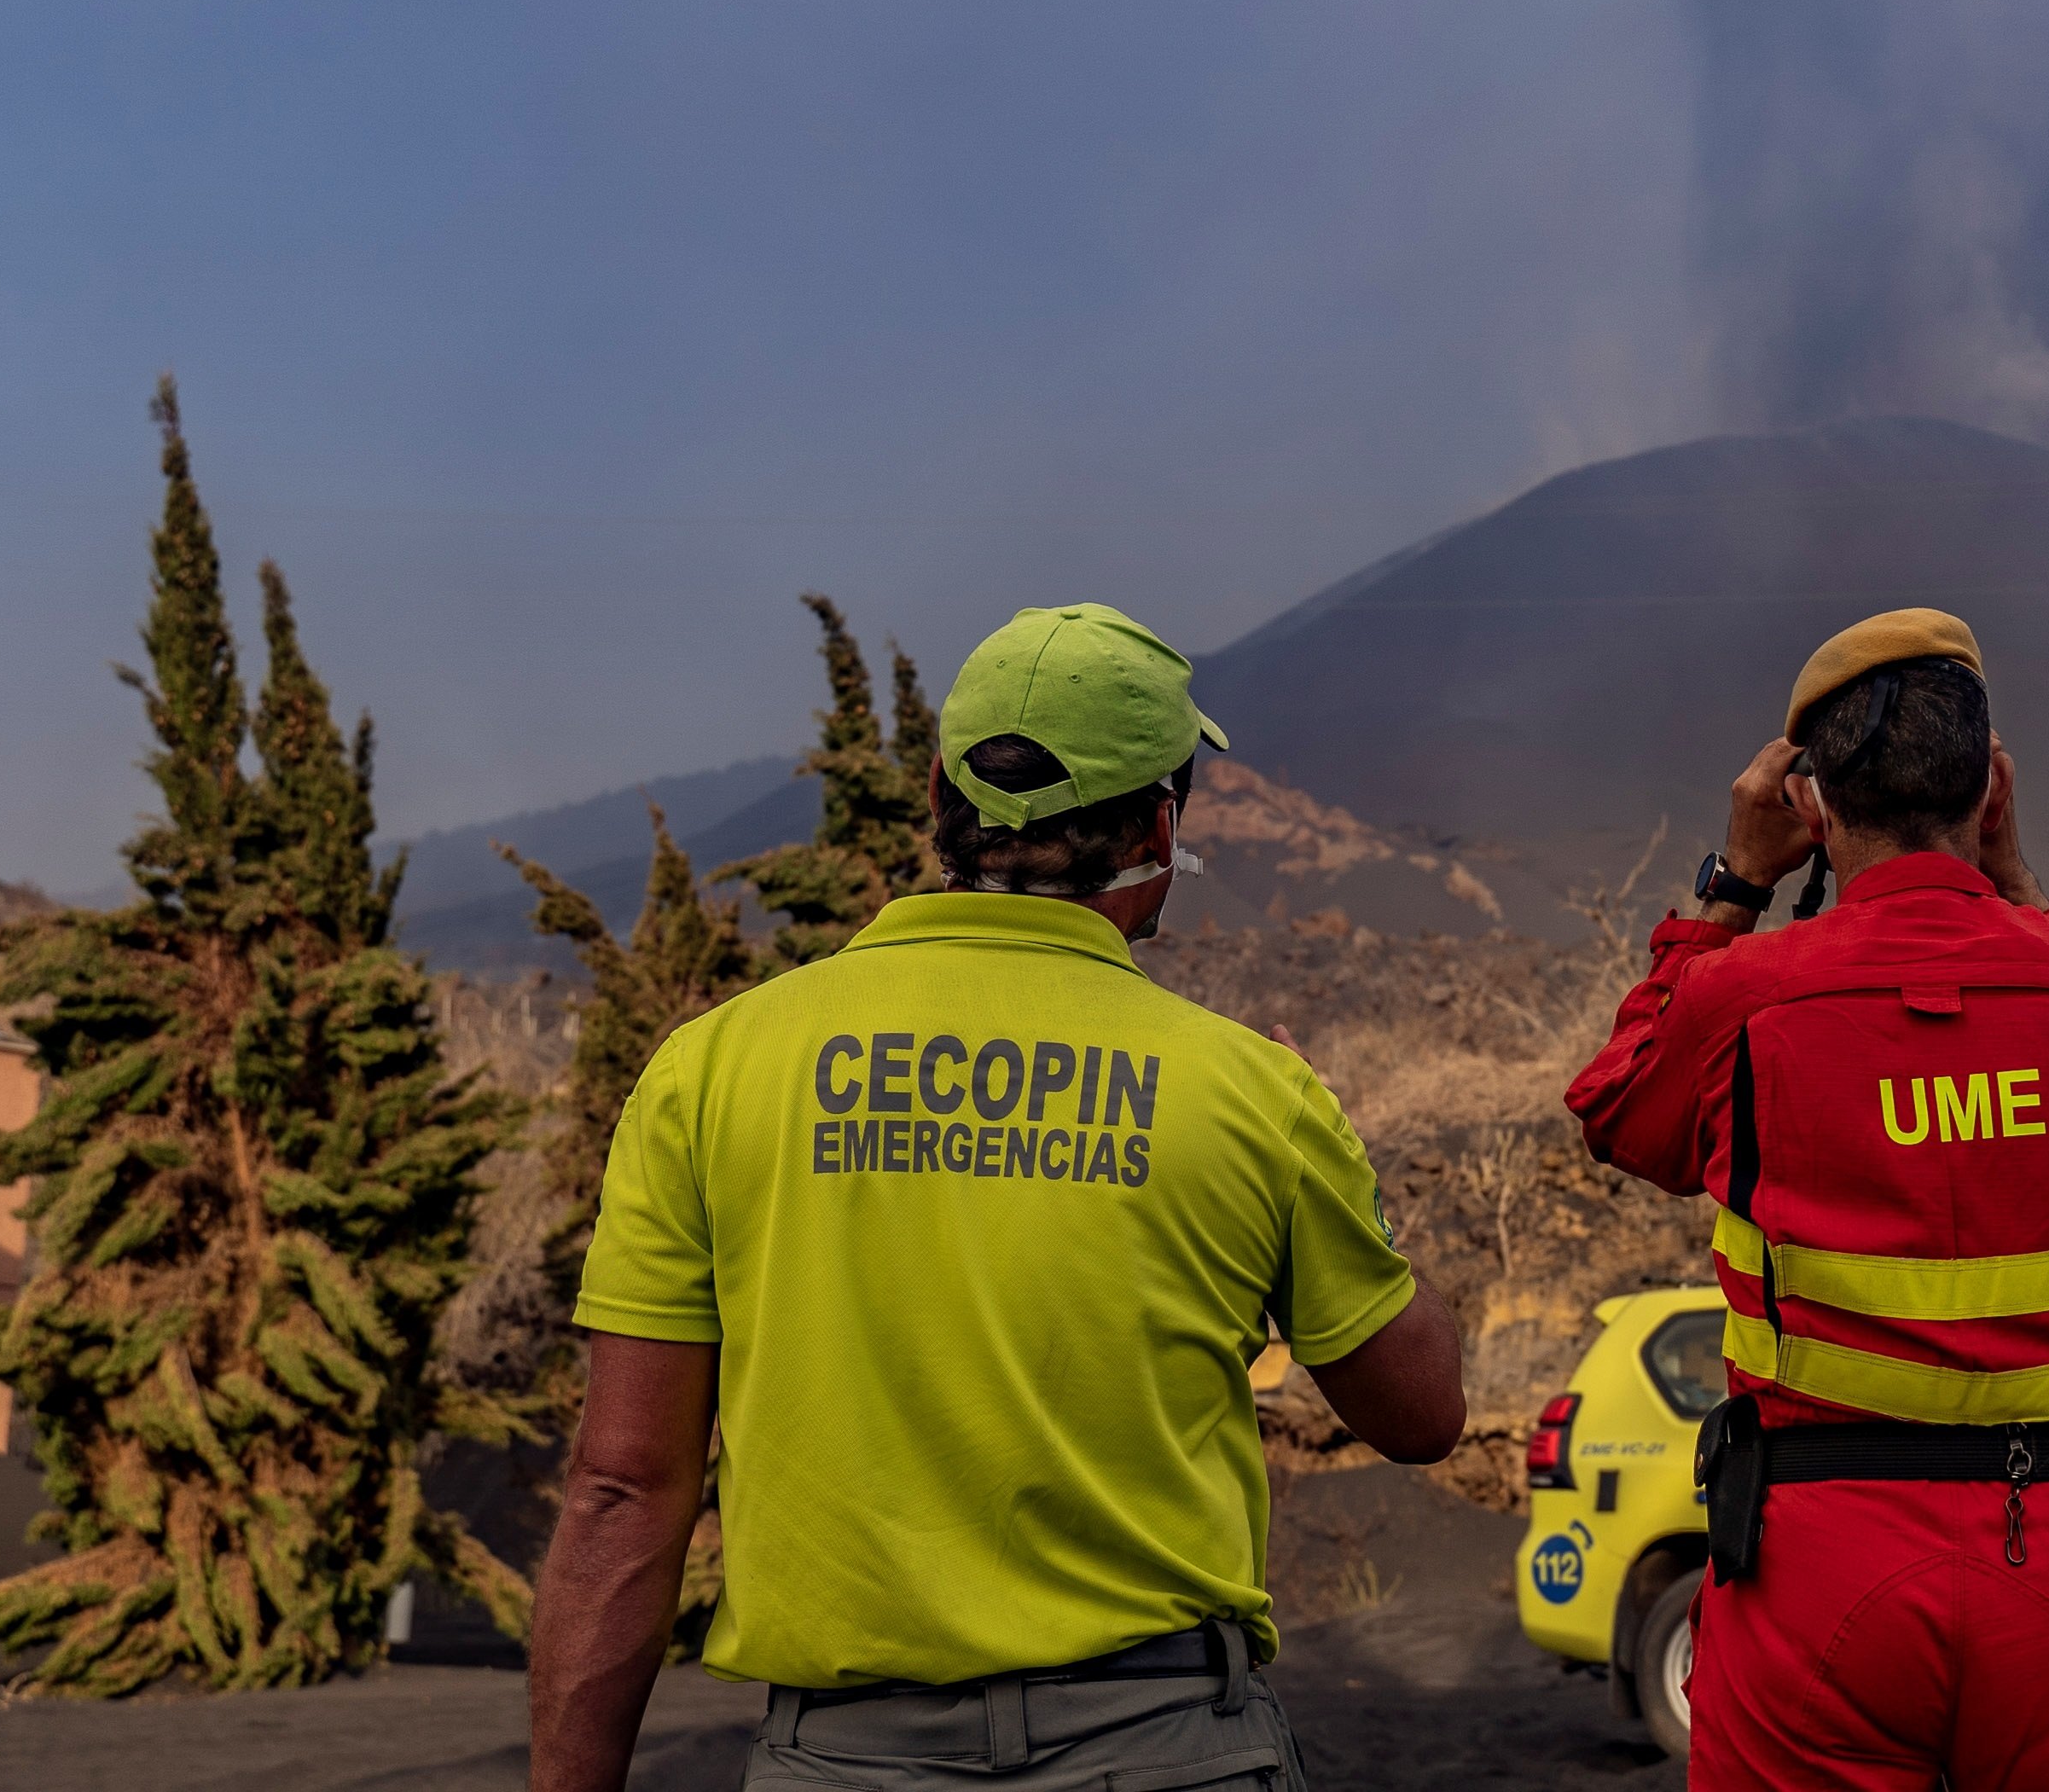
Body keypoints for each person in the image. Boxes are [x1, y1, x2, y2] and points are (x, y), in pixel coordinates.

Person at [528, 602, 1464, 1792]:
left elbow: (623, 1488)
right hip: (1166, 1751)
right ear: (1159, 826)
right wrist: (1342, 1161)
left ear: (937, 799)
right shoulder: (1251, 1092)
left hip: (837, 1763)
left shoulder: (710, 1073)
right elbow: (1423, 1412)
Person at [1566, 608, 2049, 1792]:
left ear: (1811, 804)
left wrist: (1734, 885)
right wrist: (2010, 877)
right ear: (1990, 789)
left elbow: (1621, 1114)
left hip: (1818, 1563)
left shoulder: (1748, 997)